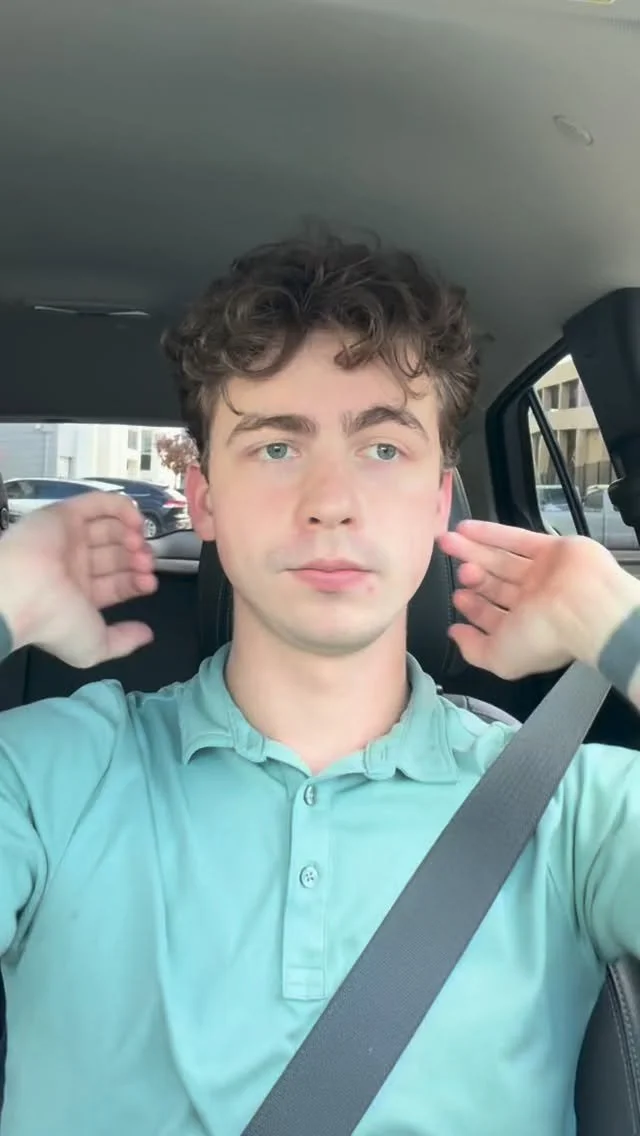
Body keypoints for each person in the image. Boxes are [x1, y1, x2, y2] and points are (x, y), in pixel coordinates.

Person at [0, 234, 639, 1136]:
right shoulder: (47, 776)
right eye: (274, 448)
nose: (330, 500)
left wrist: (625, 634)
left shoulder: (569, 808)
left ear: (439, 499)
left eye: (383, 447)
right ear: (204, 498)